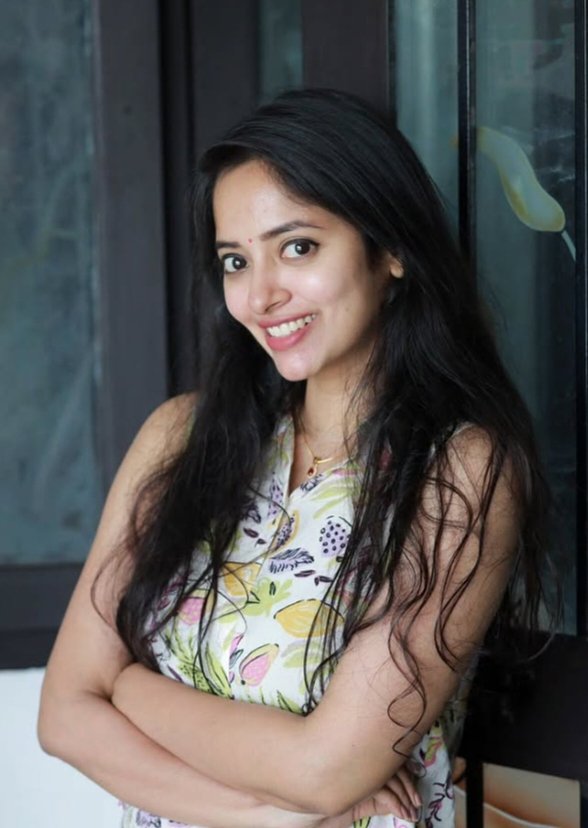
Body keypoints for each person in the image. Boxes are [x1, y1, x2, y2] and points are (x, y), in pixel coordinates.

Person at [38, 88, 548, 828]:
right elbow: (64, 716)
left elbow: (326, 770)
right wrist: (276, 816)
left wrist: (131, 689)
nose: (260, 295)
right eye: (235, 261)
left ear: (391, 250)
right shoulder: (180, 437)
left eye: (298, 247)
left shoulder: (460, 470)